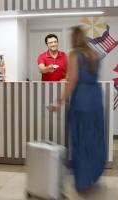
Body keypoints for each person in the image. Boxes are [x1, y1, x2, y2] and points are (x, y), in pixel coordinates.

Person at [49, 26, 106, 192]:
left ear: (74, 39)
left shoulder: (74, 54)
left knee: (81, 140)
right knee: (94, 138)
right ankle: (93, 173)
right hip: (95, 99)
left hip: (82, 100)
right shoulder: (95, 54)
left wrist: (58, 102)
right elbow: (91, 76)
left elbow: (73, 80)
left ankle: (82, 180)